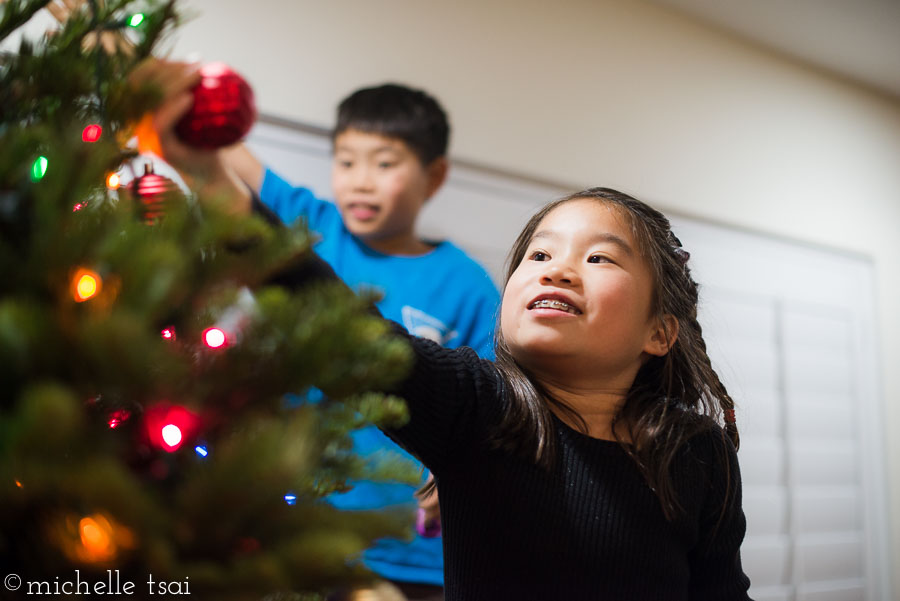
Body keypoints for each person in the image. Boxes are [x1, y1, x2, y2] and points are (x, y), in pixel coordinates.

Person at [146, 61, 752, 600]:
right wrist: (211, 181)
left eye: (599, 258)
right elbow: (348, 335)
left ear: (660, 330)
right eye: (538, 257)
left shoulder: (699, 453)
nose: (559, 270)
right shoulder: (482, 411)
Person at [222, 81, 500, 598]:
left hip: (412, 555)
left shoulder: (468, 286)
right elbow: (218, 151)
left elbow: (498, 405)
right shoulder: (316, 227)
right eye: (346, 162)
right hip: (299, 527)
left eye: (384, 163)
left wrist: (462, 474)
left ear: (434, 176)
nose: (360, 182)